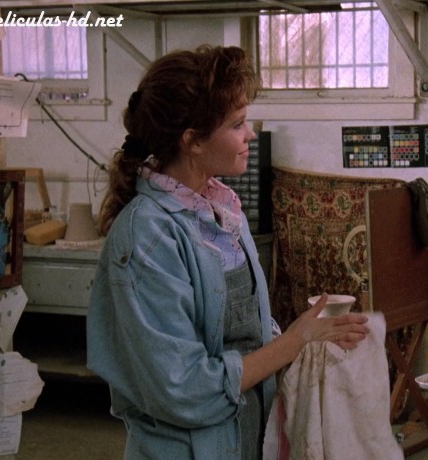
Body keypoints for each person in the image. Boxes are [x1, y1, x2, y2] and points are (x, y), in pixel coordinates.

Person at [86, 45, 370, 460]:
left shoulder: (222, 211)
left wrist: (310, 342)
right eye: (237, 124)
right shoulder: (148, 236)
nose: (250, 134)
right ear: (193, 142)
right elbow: (183, 387)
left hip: (244, 441)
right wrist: (293, 343)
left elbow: (245, 333)